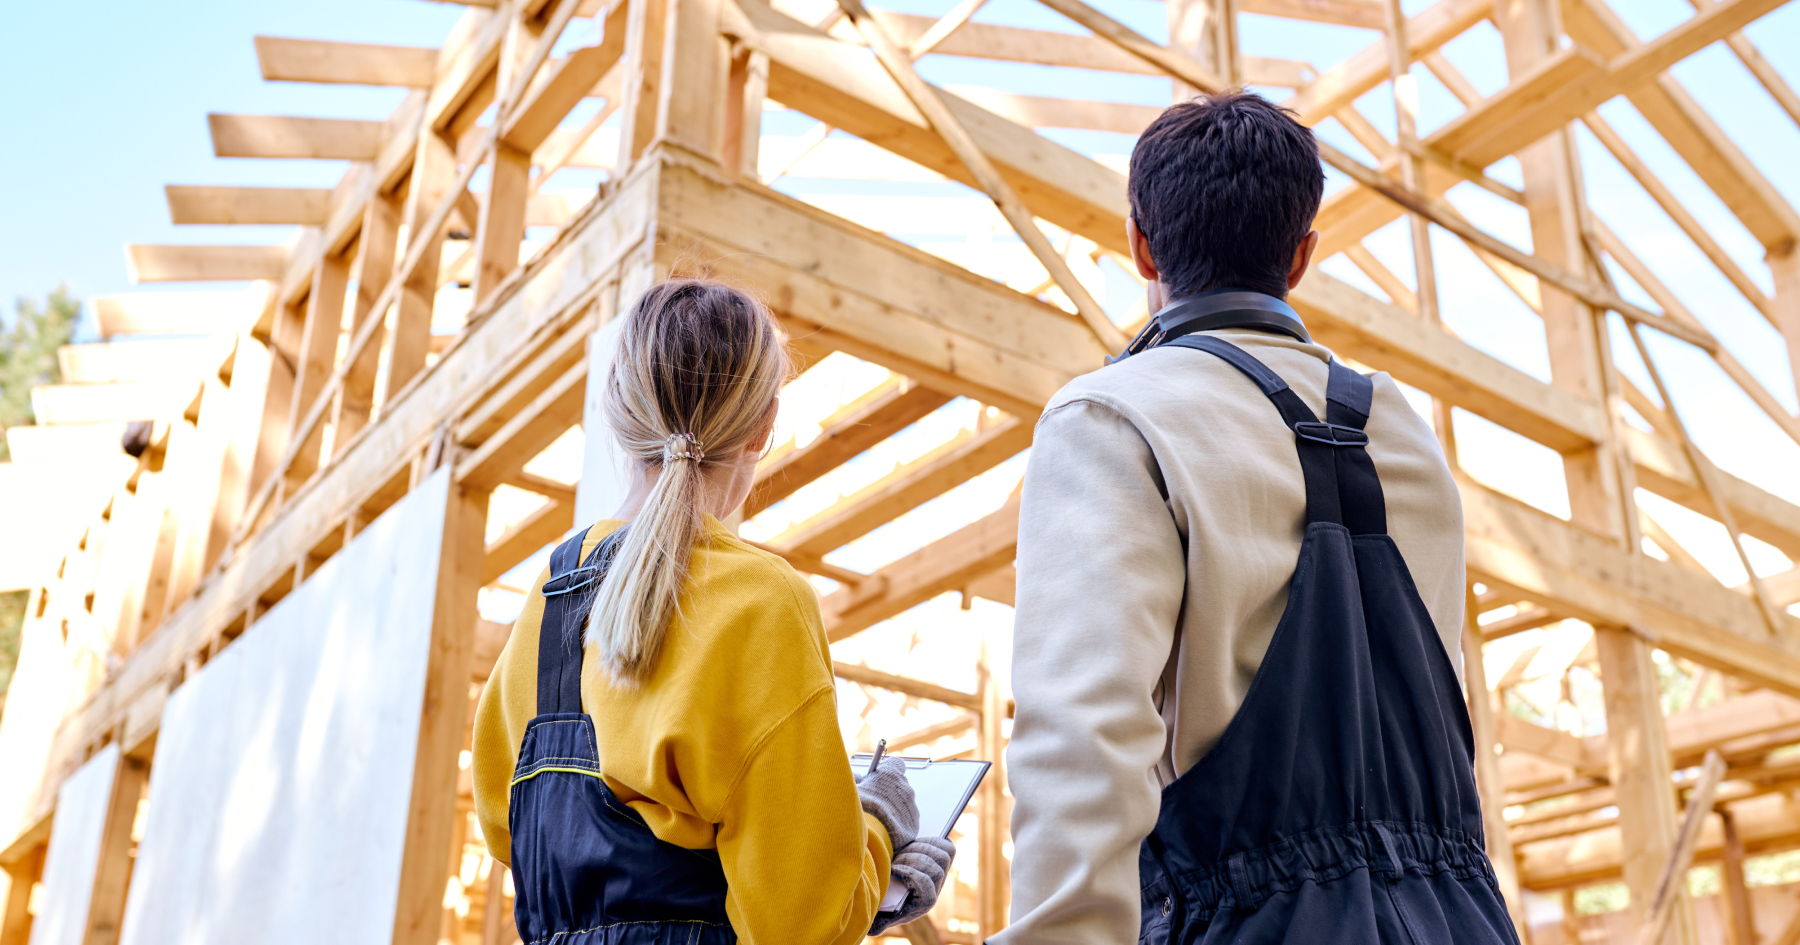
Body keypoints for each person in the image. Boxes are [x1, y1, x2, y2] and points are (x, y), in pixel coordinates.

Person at [998, 92, 1518, 944]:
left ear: (1139, 243)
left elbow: (1083, 740)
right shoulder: (1404, 429)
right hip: (1459, 916)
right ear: (1302, 255)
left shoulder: (1113, 415)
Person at [471, 279, 954, 945]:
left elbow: (505, 825)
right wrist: (873, 832)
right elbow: (798, 923)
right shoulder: (762, 600)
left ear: (617, 409)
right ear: (763, 427)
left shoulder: (553, 594)